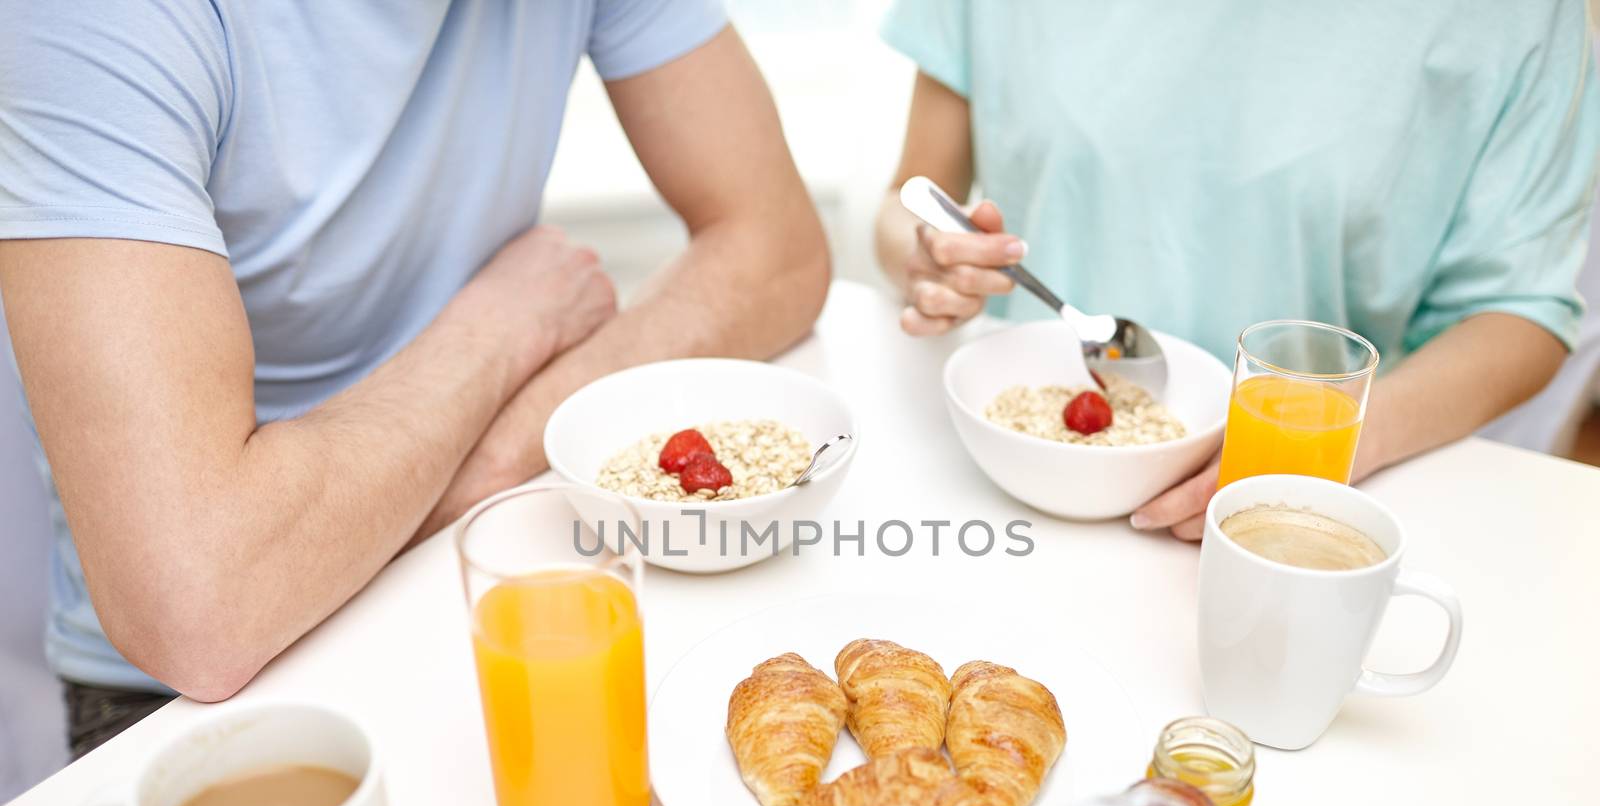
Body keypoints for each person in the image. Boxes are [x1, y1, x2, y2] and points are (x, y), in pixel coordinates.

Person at [0, 1, 830, 756]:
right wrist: (499, 331)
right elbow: (201, 608)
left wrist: (493, 456)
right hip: (191, 697)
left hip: (474, 552)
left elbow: (778, 249)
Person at [874, 0, 1600, 539]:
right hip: (994, 484)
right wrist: (934, 262)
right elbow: (905, 203)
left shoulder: (1522, 19)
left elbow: (1522, 313)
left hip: (1288, 522)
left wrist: (1333, 442)